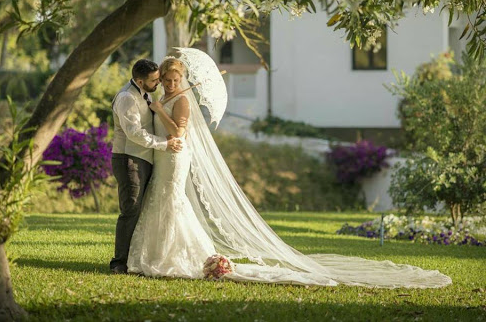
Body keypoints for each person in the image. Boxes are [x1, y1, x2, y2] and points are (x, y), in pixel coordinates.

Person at [127, 56, 452, 288]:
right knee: (164, 201)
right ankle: (156, 253)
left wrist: (160, 111)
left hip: (176, 156)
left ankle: (176, 256)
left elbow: (178, 135)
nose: (170, 84)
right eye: (166, 81)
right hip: (165, 158)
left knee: (173, 202)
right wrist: (158, 106)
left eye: (174, 80)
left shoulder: (180, 103)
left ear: (181, 80)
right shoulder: (167, 97)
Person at [110, 59, 183, 274]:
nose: (159, 83)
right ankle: (118, 263)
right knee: (130, 209)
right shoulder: (126, 98)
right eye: (154, 80)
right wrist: (164, 144)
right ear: (140, 81)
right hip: (128, 158)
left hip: (145, 158)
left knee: (140, 209)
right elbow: (134, 133)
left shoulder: (147, 95)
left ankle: (134, 259)